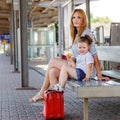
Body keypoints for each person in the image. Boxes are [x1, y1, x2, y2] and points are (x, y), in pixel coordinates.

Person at [29, 8, 109, 103]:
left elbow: (94, 56)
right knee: (52, 72)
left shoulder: (86, 34)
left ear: (83, 20)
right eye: (73, 17)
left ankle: (42, 93)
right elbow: (76, 54)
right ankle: (56, 105)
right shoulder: (77, 34)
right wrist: (71, 58)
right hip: (75, 66)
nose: (75, 20)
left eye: (79, 17)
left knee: (52, 61)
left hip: (83, 71)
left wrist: (99, 75)